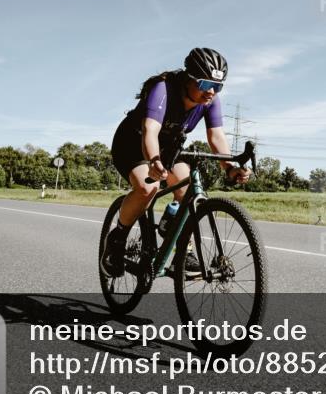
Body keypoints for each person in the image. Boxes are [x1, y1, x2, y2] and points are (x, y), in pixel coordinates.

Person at [101, 48, 251, 276]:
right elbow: (150, 130)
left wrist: (230, 167)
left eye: (218, 86)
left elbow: (216, 136)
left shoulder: (210, 101)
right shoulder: (163, 89)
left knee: (189, 189)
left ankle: (179, 240)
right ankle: (117, 238)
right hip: (133, 143)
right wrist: (153, 160)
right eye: (204, 84)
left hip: (168, 147)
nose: (211, 92)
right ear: (188, 79)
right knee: (147, 187)